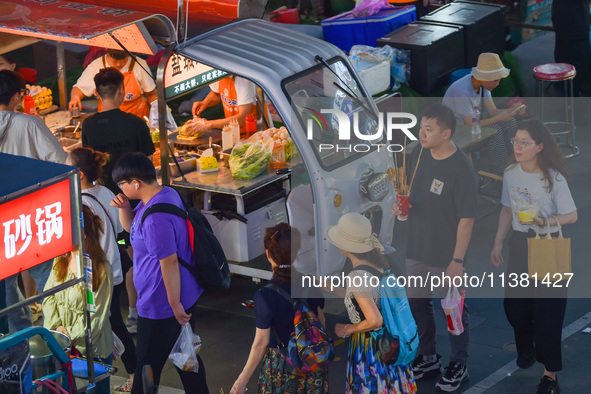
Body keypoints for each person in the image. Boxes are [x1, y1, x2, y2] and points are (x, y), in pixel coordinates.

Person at [391, 103, 477, 392]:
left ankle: (459, 364)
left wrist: (457, 260)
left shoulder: (461, 168)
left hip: (445, 254)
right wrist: (401, 207)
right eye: (421, 127)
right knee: (418, 303)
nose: (421, 134)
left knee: (452, 310)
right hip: (416, 248)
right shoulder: (419, 154)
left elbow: (467, 220)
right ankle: (427, 357)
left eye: (429, 129)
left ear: (447, 133)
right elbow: (412, 195)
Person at [490, 119, 577, 394]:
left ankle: (549, 376)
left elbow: (572, 216)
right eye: (516, 141)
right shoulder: (511, 172)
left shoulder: (553, 178)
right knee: (514, 306)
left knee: (548, 313)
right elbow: (506, 209)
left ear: (539, 146)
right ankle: (527, 346)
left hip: (547, 245)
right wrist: (497, 242)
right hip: (519, 243)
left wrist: (545, 221)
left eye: (524, 142)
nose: (518, 146)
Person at [109, 152, 208, 394]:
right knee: (186, 357)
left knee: (147, 366)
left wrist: (174, 304)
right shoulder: (163, 195)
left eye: (121, 184)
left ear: (136, 183)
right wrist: (124, 208)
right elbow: (135, 230)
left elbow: (169, 262)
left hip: (161, 304)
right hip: (183, 294)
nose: (119, 188)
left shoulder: (155, 218)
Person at [0, 69, 67, 332]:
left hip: (2, 221)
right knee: (47, 278)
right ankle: (57, 333)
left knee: (5, 285)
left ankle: (19, 338)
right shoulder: (29, 124)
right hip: (32, 217)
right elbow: (62, 163)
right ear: (18, 95)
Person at [67, 147, 137, 392]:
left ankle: (134, 373)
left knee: (109, 324)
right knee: (112, 322)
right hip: (114, 270)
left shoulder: (82, 203)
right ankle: (132, 373)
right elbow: (120, 231)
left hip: (98, 275)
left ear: (80, 174)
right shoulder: (105, 191)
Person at [230, 223, 328, 394]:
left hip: (282, 366)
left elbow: (261, 343)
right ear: (296, 253)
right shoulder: (311, 284)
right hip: (312, 362)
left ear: (268, 254)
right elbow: (322, 323)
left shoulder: (264, 296)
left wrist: (242, 379)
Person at [326, 212, 417, 393]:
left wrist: (347, 329)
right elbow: (368, 297)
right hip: (391, 339)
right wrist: (333, 289)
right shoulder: (381, 264)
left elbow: (374, 320)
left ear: (346, 246)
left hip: (372, 345)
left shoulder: (356, 277)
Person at [42, 205, 114, 394]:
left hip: (92, 349)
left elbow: (96, 317)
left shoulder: (101, 269)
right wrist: (57, 330)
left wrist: (66, 336)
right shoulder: (61, 259)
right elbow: (49, 297)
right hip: (63, 347)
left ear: (82, 236)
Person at [443, 52, 524, 175]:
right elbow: (470, 123)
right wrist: (498, 118)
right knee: (494, 129)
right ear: (485, 78)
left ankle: (513, 164)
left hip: (470, 128)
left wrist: (512, 110)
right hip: (455, 134)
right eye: (495, 80)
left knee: (510, 122)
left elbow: (493, 111)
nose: (498, 84)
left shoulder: (482, 86)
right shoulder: (462, 90)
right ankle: (501, 174)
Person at [81, 67, 155, 195]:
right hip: (135, 195)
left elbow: (89, 164)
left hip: (103, 196)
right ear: (121, 90)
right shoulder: (137, 124)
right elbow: (148, 163)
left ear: (97, 93)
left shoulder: (88, 126)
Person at [69, 49, 156, 119]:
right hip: (107, 121)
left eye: (123, 60)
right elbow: (80, 88)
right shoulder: (96, 66)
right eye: (114, 61)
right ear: (107, 53)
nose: (118, 64)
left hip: (138, 120)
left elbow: (151, 94)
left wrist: (157, 112)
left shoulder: (140, 64)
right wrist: (75, 97)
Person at [191, 75, 257, 133]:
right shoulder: (219, 73)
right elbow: (217, 94)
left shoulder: (244, 81)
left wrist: (207, 124)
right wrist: (205, 102)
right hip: (233, 131)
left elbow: (242, 118)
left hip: (253, 133)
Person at [552, 0, 589, 96]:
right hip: (575, 21)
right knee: (576, 61)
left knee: (564, 58)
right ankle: (572, 97)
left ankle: (569, 96)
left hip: (562, 18)